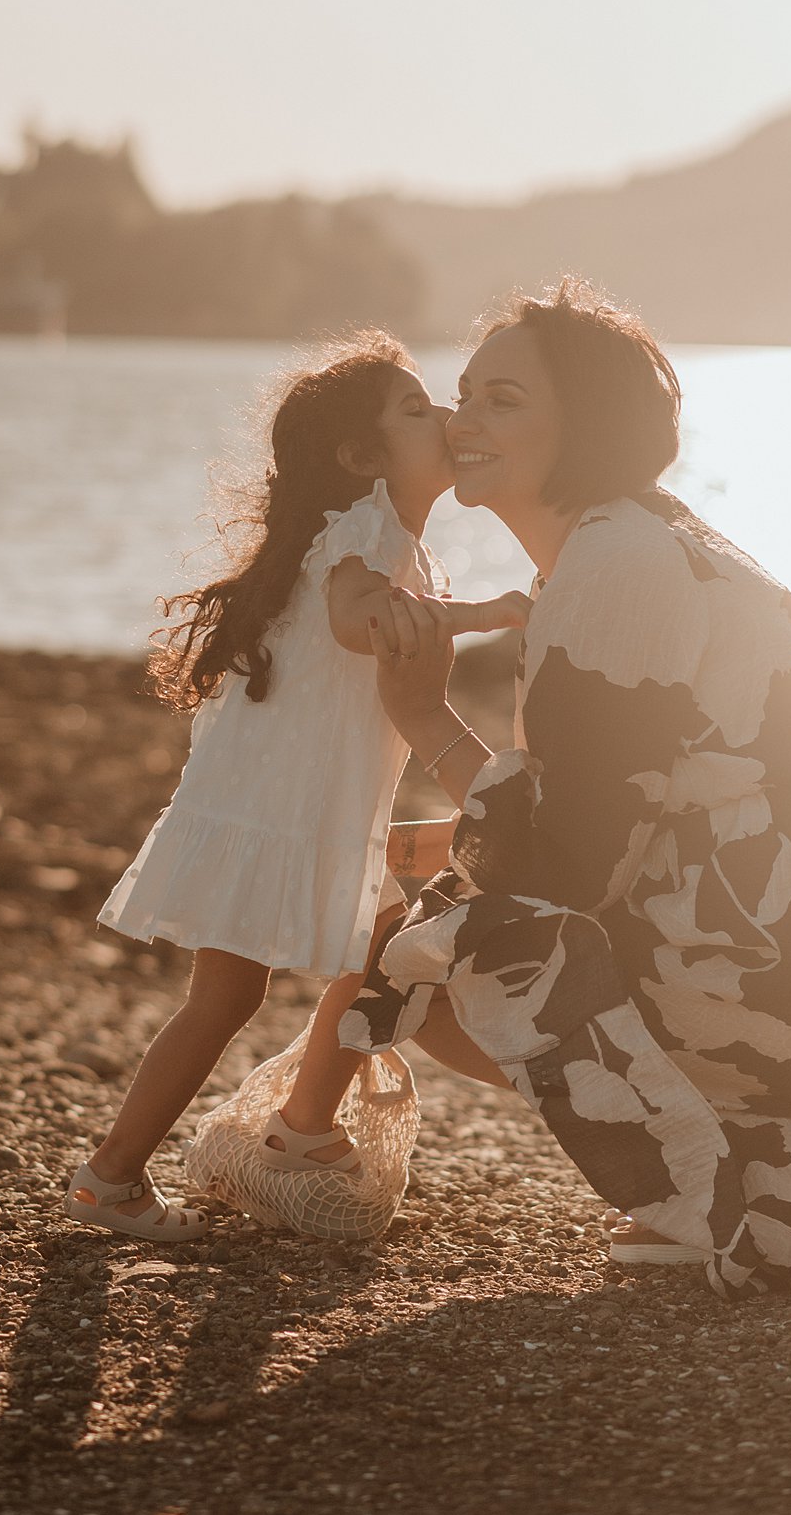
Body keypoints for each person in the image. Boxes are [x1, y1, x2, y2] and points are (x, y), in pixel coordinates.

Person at [335, 279, 791, 1298]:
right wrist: (419, 846)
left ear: (590, 424)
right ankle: (768, 1159)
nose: (461, 419)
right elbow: (625, 808)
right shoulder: (640, 539)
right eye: (462, 392)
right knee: (422, 916)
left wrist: (426, 717)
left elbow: (570, 862)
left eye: (505, 400)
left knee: (451, 955)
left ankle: (716, 1188)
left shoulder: (615, 567)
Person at [63, 333, 528, 1242]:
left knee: (355, 952)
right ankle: (128, 1172)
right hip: (284, 811)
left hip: (290, 803)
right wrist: (489, 615)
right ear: (362, 457)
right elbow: (356, 620)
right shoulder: (365, 528)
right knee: (263, 988)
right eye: (415, 410)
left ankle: (280, 1133)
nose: (443, 417)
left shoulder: (383, 535)